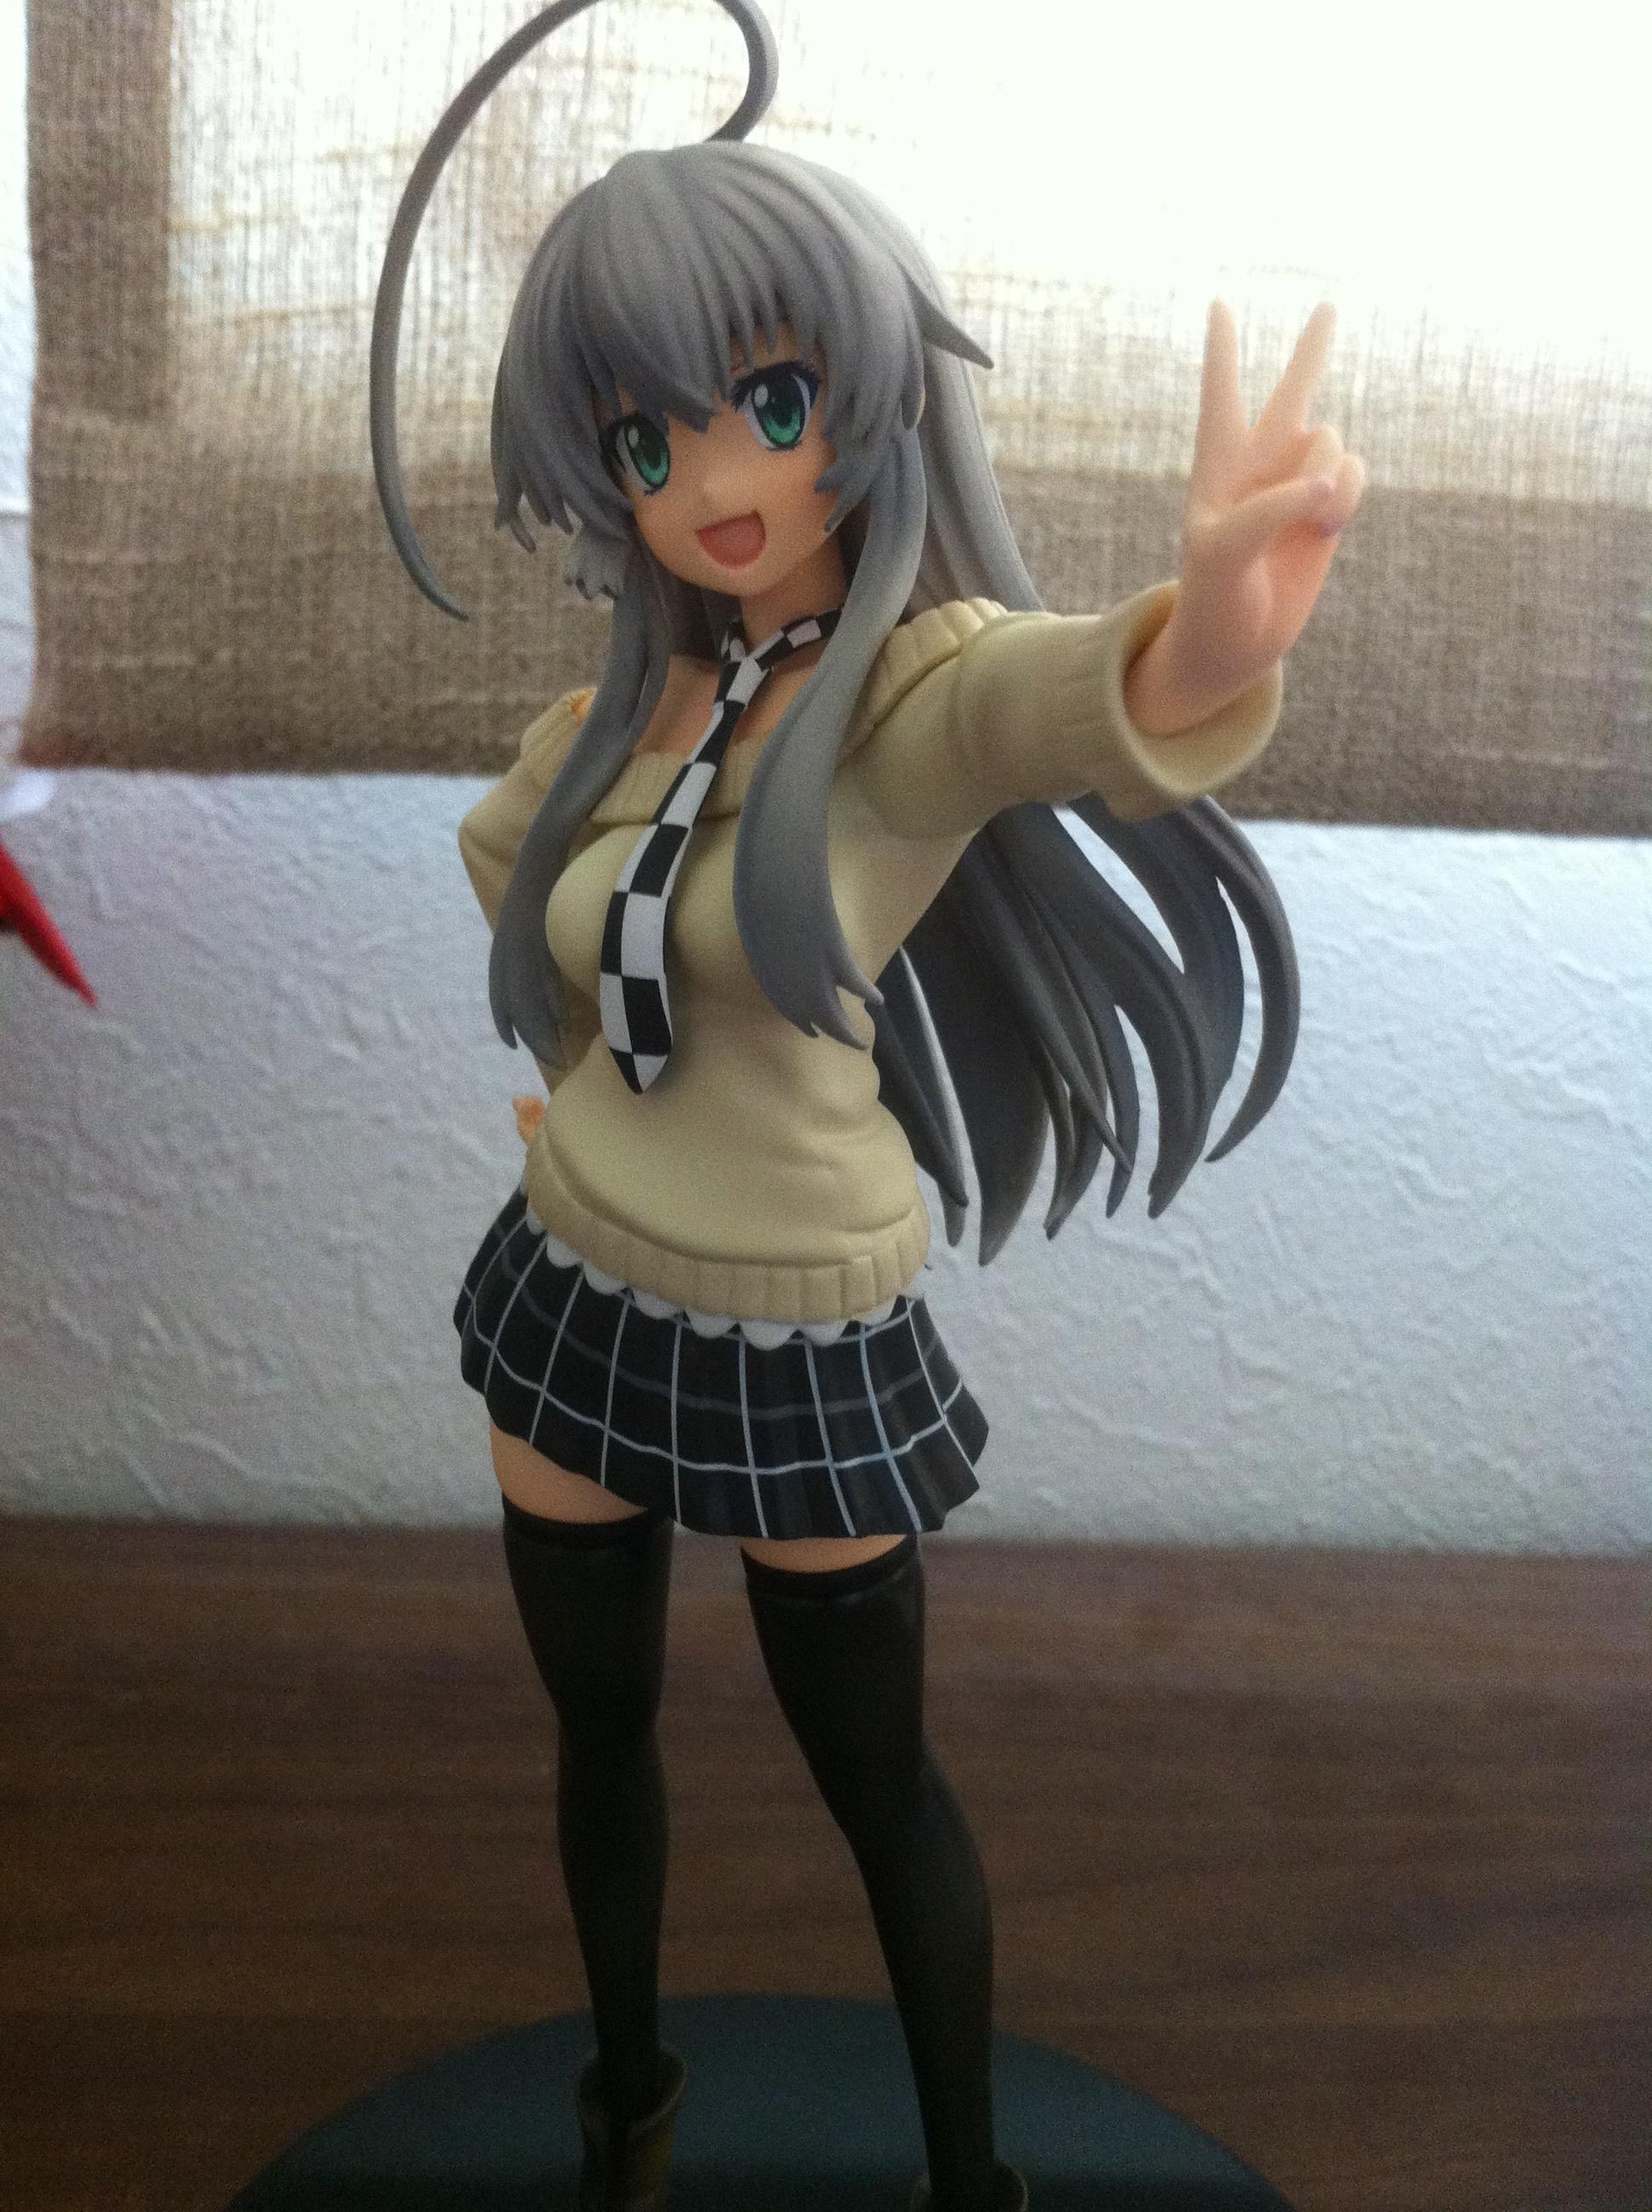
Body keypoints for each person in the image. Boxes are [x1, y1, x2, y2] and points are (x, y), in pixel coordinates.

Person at [371, 7, 1364, 2207]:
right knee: (595, 1737)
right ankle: (624, 2109)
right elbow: (517, 875)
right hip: (573, 1283)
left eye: (772, 403)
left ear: (866, 394)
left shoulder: (907, 694)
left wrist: (1211, 625)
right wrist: (580, 1097)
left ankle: (965, 2178)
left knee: (877, 1787)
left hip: (797, 1323)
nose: (714, 478)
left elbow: (1061, 702)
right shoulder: (633, 705)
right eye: (646, 436)